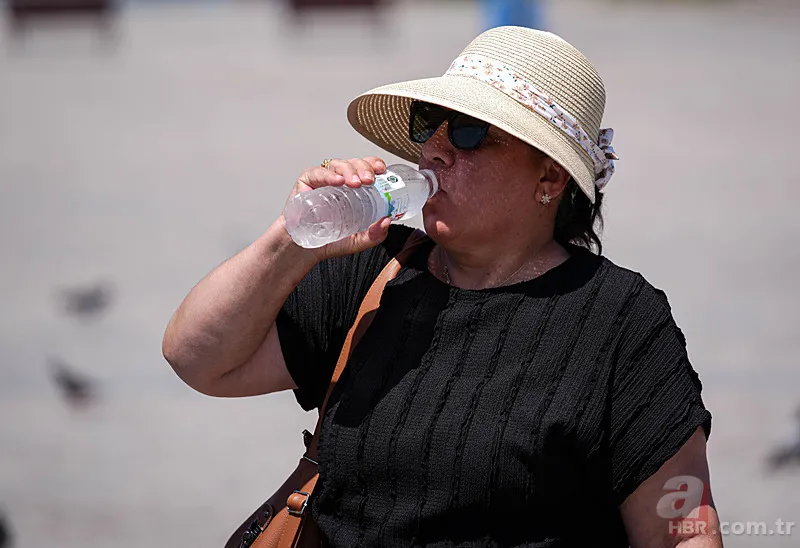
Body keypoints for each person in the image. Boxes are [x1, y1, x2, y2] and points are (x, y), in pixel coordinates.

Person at [163, 27, 720, 547]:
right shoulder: (377, 272)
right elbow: (199, 360)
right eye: (430, 122)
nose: (434, 149)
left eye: (472, 133)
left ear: (548, 178)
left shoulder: (618, 320)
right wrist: (289, 240)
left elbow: (683, 530)